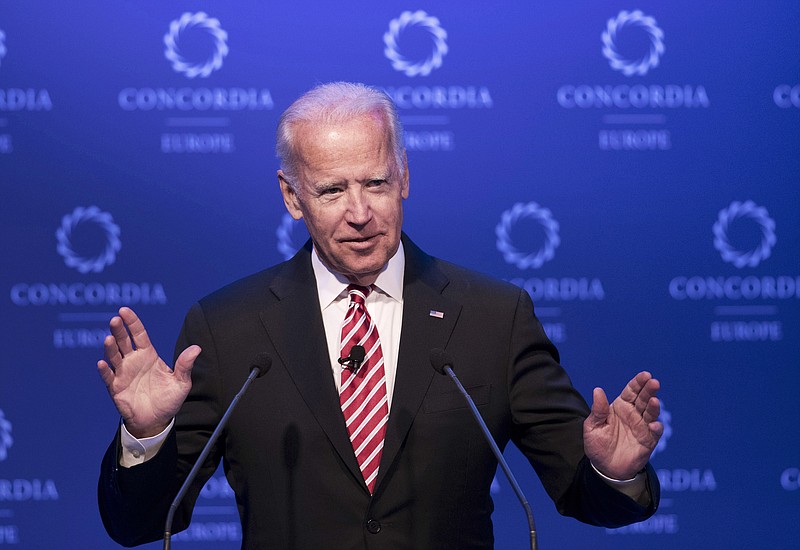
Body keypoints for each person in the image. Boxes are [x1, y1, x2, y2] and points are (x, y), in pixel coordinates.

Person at [97, 82, 663, 549]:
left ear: (405, 176)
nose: (360, 213)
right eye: (331, 191)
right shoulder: (229, 330)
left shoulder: (494, 317)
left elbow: (585, 496)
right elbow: (142, 524)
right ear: (292, 198)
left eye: (375, 183)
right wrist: (147, 437)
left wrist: (616, 472)